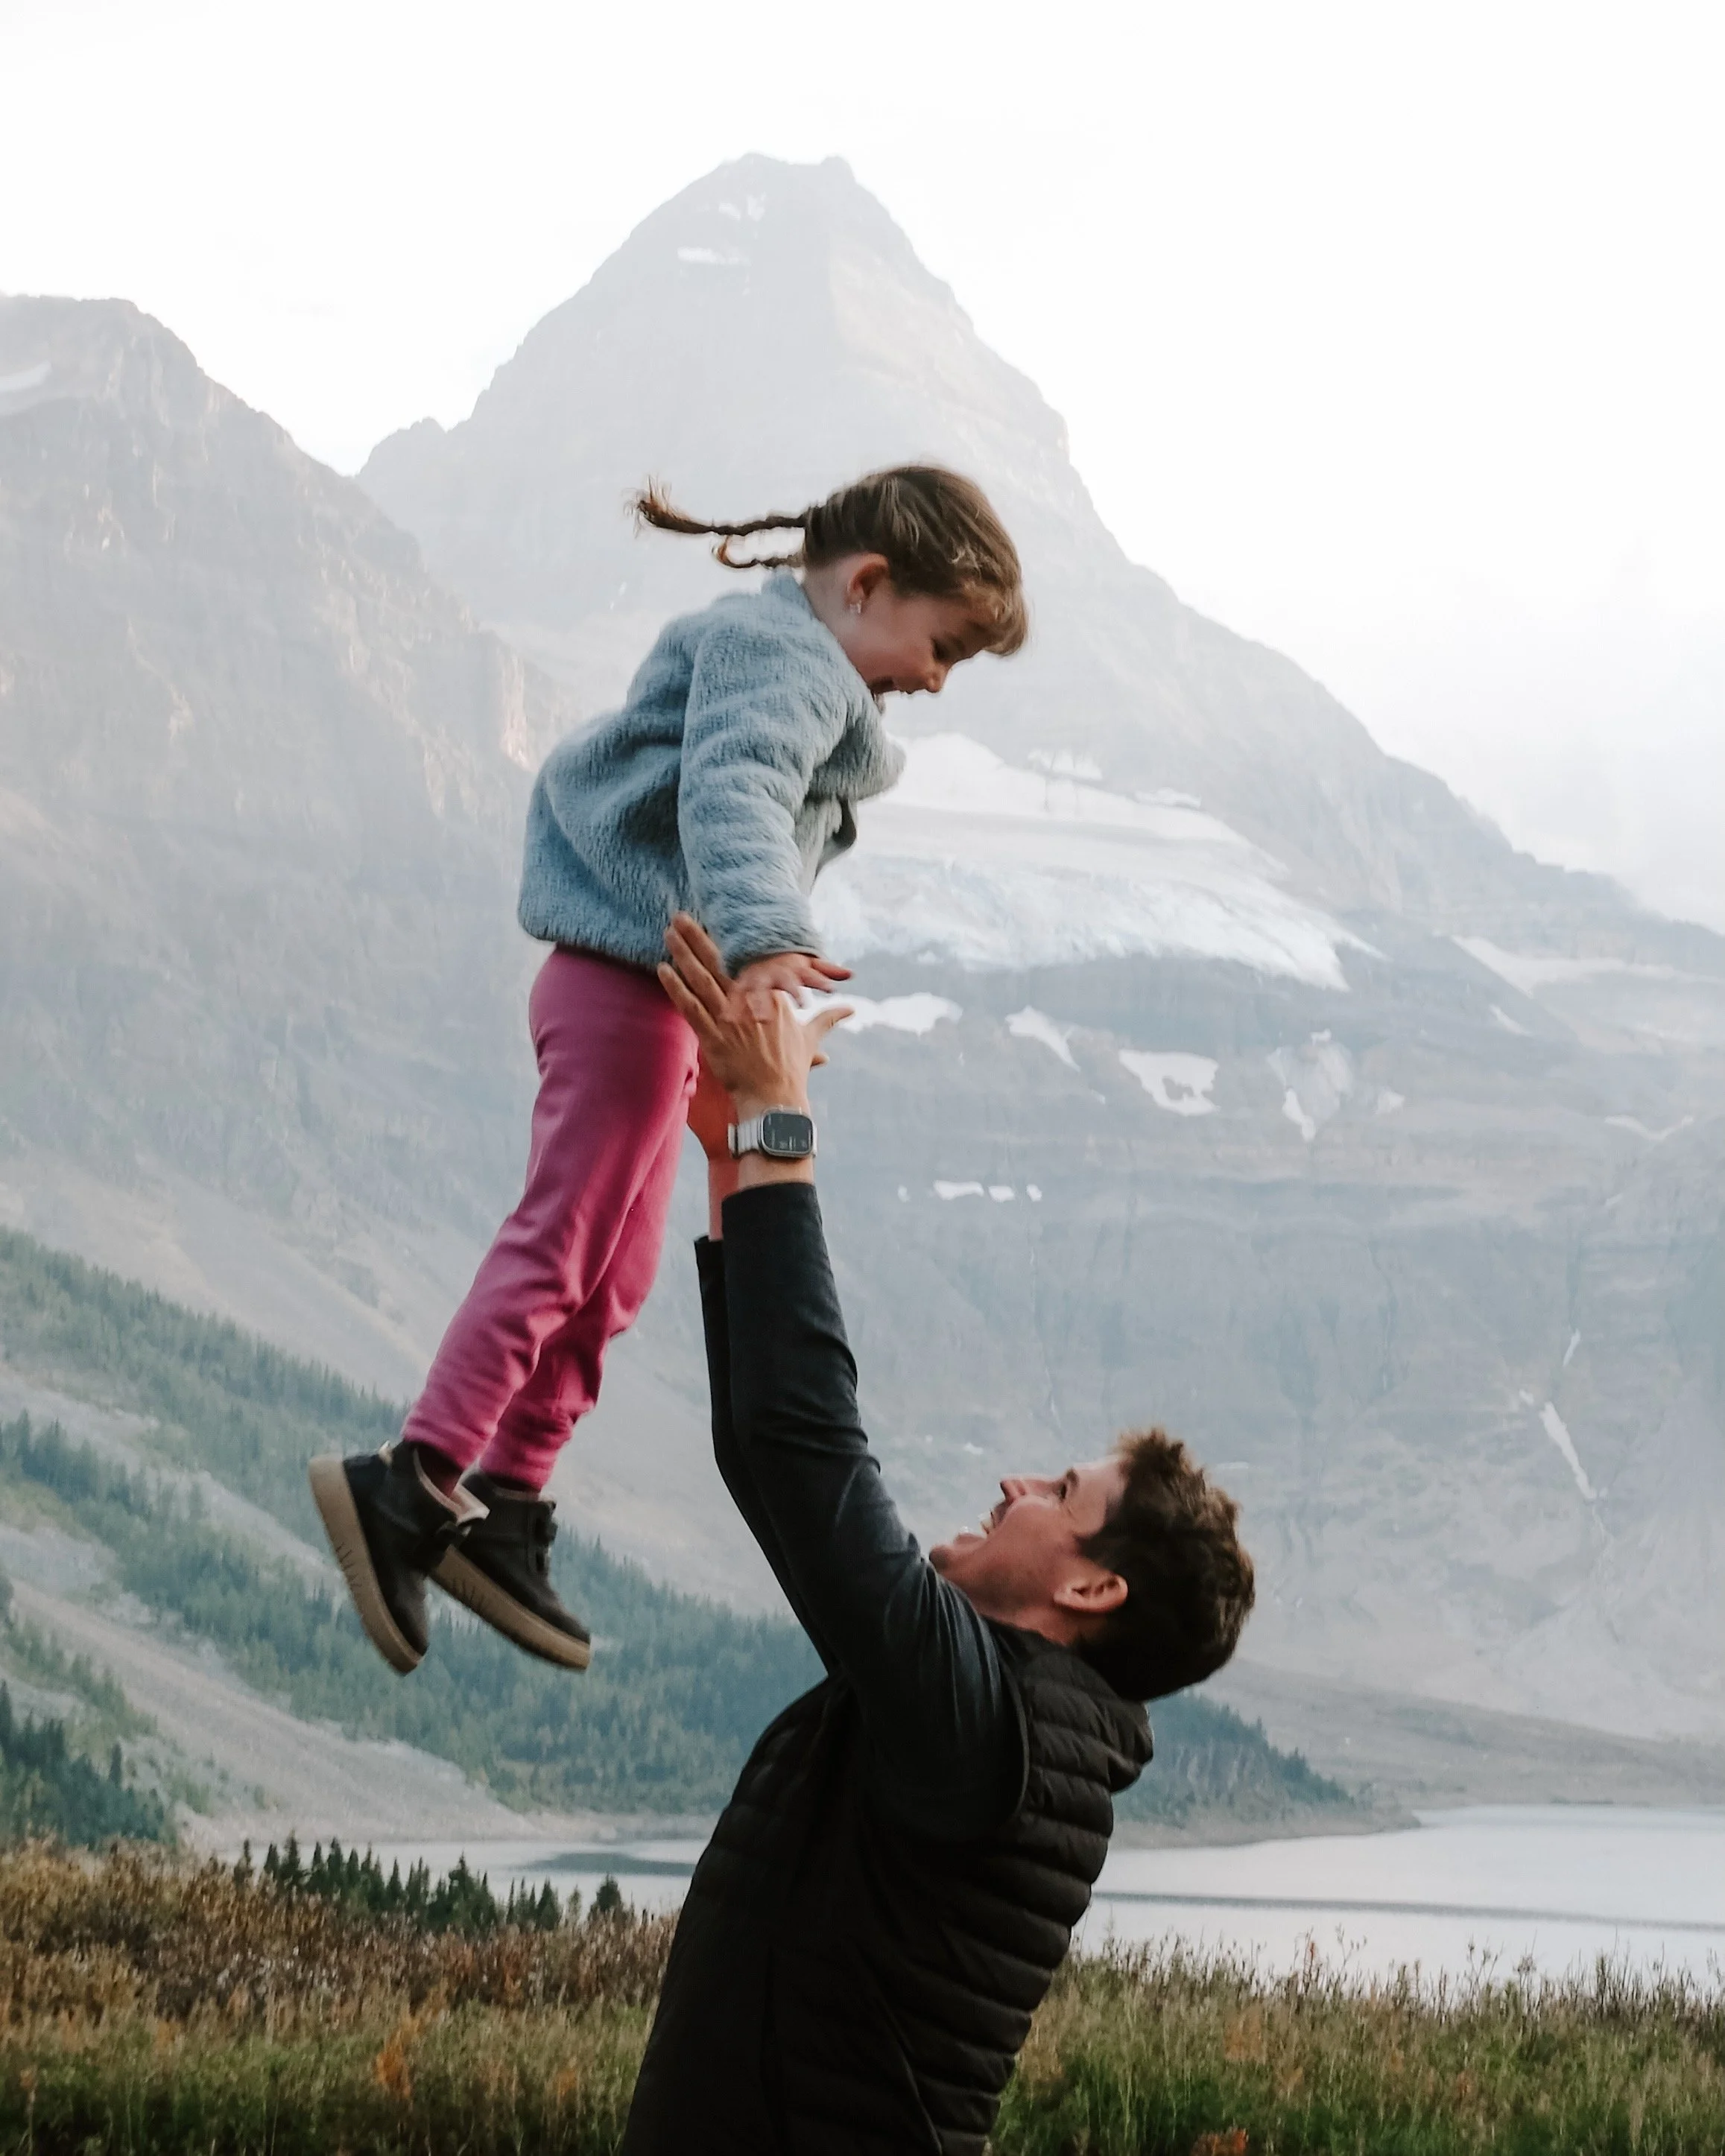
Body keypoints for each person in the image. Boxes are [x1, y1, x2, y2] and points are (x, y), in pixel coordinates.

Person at [309, 469, 1027, 1678]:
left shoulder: (793, 654)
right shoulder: (786, 660)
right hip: (625, 984)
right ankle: (413, 1478)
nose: (937, 677)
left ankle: (508, 1502)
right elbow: (736, 787)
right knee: (563, 1239)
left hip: (656, 1000)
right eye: (941, 643)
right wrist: (761, 935)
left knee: (616, 1273)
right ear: (865, 585)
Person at [622, 913, 1256, 2156]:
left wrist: (778, 1131)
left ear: (1090, 1587)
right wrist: (727, 1155)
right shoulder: (993, 1728)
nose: (1016, 1482)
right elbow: (765, 1457)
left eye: (1060, 1490)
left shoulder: (988, 1742)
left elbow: (813, 1455)